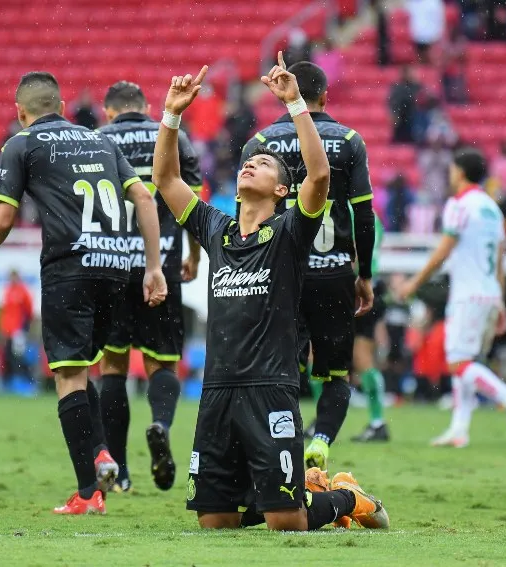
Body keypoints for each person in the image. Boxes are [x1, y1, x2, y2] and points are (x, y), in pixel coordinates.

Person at [153, 54, 387, 531]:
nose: (251, 164)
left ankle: (346, 499)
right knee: (215, 523)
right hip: (218, 389)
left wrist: (296, 103)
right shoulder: (215, 229)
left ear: (282, 192)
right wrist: (172, 115)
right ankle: (302, 488)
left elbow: (319, 177)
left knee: (288, 524)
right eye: (249, 162)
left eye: (263, 166)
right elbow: (166, 180)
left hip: (270, 390)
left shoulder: (288, 234)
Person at [0, 71, 167, 515]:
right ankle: (99, 452)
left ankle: (88, 493)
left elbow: (2, 219)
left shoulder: (21, 144)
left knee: (68, 375)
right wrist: (153, 267)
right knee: (81, 369)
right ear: (60, 106)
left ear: (21, 113)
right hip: (116, 268)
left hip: (70, 267)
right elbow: (146, 200)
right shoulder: (101, 140)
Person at [239, 61, 375, 470]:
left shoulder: (259, 143)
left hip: (281, 272)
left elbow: (246, 212)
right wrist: (363, 274)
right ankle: (321, 441)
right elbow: (363, 216)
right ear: (325, 96)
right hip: (333, 272)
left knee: (280, 365)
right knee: (336, 375)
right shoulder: (349, 140)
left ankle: (281, 441)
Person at [97, 80, 203, 493]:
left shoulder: (98, 140)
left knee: (113, 368)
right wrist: (194, 254)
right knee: (162, 362)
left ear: (109, 111)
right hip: (163, 264)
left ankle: (120, 470)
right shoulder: (174, 135)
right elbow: (191, 200)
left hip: (111, 264)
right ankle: (160, 423)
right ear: (143, 106)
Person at [398, 148, 506, 447]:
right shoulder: (492, 207)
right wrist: (498, 298)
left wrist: (414, 282)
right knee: (465, 360)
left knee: (458, 363)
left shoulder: (459, 205)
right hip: (487, 293)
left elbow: (444, 248)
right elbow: (500, 259)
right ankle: (459, 429)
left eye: (451, 170)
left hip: (467, 294)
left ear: (460, 172)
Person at [352, 215, 390, 442]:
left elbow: (355, 252)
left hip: (355, 288)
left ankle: (378, 422)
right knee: (364, 358)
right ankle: (378, 421)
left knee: (315, 354)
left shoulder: (345, 210)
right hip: (371, 287)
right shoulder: (374, 217)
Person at [0, 269, 33, 385]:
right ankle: (10, 383)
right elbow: (5, 312)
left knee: (18, 356)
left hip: (18, 330)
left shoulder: (23, 291)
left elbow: (28, 311)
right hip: (7, 330)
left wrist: (25, 328)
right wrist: (2, 330)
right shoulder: (7, 291)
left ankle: (27, 381)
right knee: (7, 356)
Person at [405, 0, 445, 65]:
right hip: (414, 40)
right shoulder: (410, 3)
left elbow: (440, 22)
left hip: (432, 39)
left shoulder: (435, 2)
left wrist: (436, 37)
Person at [388, 66, 421, 143]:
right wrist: (394, 113)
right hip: (404, 122)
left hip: (414, 122)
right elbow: (394, 104)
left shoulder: (417, 87)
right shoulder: (398, 88)